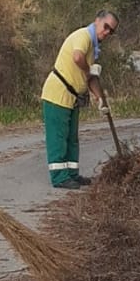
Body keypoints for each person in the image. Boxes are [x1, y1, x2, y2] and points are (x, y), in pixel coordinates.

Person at [40, 10, 118, 188]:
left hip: (72, 98)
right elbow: (77, 58)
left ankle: (72, 174)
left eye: (111, 31)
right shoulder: (83, 36)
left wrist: (101, 100)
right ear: (97, 21)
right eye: (106, 27)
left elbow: (90, 78)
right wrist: (90, 69)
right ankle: (59, 177)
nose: (107, 32)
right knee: (58, 137)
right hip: (57, 94)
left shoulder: (93, 48)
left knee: (71, 138)